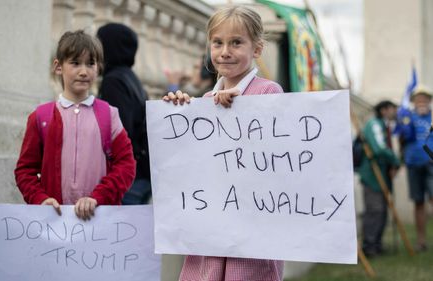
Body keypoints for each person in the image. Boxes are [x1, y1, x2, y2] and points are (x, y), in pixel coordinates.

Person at [164, 6, 284, 280]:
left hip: (251, 224)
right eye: (217, 43)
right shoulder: (205, 101)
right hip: (210, 221)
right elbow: (188, 161)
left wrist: (236, 109)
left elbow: (273, 157)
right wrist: (178, 113)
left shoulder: (268, 91)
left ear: (256, 49)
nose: (225, 51)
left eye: (236, 43)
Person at [15, 30, 136, 220]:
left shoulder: (109, 114)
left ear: (98, 68)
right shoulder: (40, 117)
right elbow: (25, 170)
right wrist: (40, 199)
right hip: (55, 225)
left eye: (90, 63)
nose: (83, 71)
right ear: (58, 67)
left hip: (100, 223)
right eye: (75, 63)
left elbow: (126, 165)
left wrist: (98, 197)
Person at [96, 23, 151, 205]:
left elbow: (119, 131)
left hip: (129, 177)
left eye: (99, 44)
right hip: (142, 173)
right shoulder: (131, 78)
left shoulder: (113, 81)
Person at [358, 100, 400, 257]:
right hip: (372, 176)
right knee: (374, 211)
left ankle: (376, 244)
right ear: (383, 110)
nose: (394, 112)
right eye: (392, 109)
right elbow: (379, 148)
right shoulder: (374, 124)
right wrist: (395, 160)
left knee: (382, 211)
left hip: (382, 175)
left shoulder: (385, 125)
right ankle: (368, 246)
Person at [396, 85, 433, 251]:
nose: (422, 101)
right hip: (413, 164)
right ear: (413, 101)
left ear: (429, 100)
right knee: (418, 203)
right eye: (418, 98)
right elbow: (401, 139)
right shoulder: (407, 118)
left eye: (425, 98)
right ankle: (421, 241)